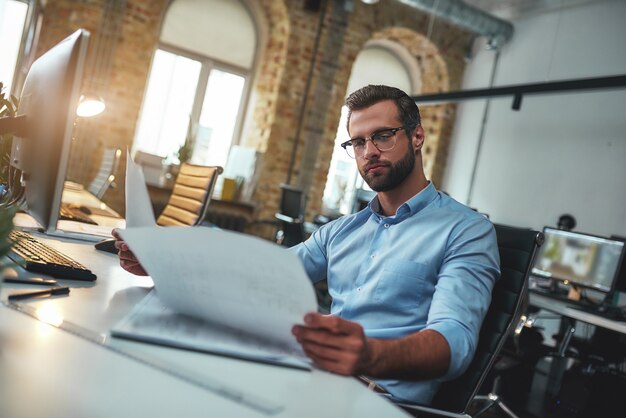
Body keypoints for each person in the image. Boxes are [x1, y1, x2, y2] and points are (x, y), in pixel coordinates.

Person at [114, 84, 500, 404]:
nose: (370, 152)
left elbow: (455, 342)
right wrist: (163, 262)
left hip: (377, 398)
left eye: (383, 136)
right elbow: (263, 273)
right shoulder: (342, 231)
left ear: (417, 137)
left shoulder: (466, 231)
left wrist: (371, 355)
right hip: (311, 380)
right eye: (359, 142)